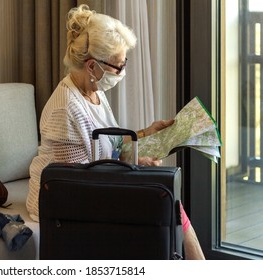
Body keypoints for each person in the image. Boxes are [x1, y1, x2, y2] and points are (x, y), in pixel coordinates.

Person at [26, 4, 205, 260]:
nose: (122, 73)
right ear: (91, 66)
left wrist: (145, 134)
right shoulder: (64, 110)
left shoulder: (94, 92)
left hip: (90, 185)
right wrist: (133, 164)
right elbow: (74, 182)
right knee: (162, 200)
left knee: (168, 200)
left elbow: (109, 143)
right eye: (118, 67)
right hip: (60, 202)